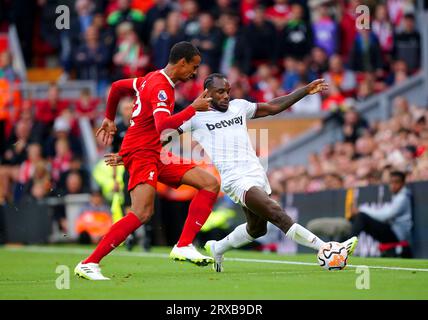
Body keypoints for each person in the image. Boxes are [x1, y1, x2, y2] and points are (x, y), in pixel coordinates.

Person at [106, 74, 358, 272]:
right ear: (207, 93)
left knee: (256, 229)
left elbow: (272, 107)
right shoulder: (195, 116)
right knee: (275, 212)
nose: (226, 96)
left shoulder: (239, 106)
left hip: (257, 173)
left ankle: (217, 247)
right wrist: (128, 155)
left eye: (227, 91)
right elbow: (161, 137)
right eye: (220, 92)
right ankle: (327, 249)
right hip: (236, 181)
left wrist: (305, 90)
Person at [74, 42, 220, 280]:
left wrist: (109, 117)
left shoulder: (147, 78)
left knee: (210, 183)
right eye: (193, 67)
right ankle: (89, 262)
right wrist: (193, 108)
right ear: (182, 62)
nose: (194, 73)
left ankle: (183, 244)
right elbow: (163, 125)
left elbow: (116, 86)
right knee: (142, 213)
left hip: (153, 151)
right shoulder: (161, 87)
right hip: (143, 153)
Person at [350, 171, 413, 246]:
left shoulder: (403, 197)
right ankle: (347, 245)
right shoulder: (397, 196)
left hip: (397, 235)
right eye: (391, 182)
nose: (393, 185)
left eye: (396, 182)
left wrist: (361, 210)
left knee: (361, 217)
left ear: (403, 184)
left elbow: (385, 216)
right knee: (359, 218)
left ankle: (347, 247)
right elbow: (383, 212)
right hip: (392, 231)